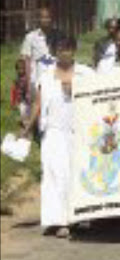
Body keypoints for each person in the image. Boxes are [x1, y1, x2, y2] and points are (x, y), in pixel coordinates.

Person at [19, 36, 95, 238]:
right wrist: (28, 126)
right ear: (54, 51)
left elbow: (96, 99)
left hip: (78, 131)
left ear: (74, 50)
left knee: (75, 173)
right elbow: (37, 103)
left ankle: (78, 216)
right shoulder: (45, 75)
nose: (64, 53)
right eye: (60, 49)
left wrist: (75, 90)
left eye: (68, 49)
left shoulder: (85, 73)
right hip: (52, 131)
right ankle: (58, 220)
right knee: (53, 173)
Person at [20, 8, 60, 99]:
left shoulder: (58, 35)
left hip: (54, 77)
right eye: (43, 17)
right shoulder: (31, 37)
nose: (46, 20)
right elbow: (26, 60)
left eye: (48, 17)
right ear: (38, 19)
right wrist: (27, 82)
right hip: (37, 78)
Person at [10, 58, 31, 126]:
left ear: (25, 69)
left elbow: (29, 88)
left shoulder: (27, 78)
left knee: (27, 112)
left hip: (27, 99)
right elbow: (13, 90)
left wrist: (28, 94)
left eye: (22, 68)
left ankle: (26, 123)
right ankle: (24, 124)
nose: (21, 70)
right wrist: (13, 102)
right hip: (21, 99)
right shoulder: (16, 79)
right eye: (19, 69)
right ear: (16, 69)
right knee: (22, 111)